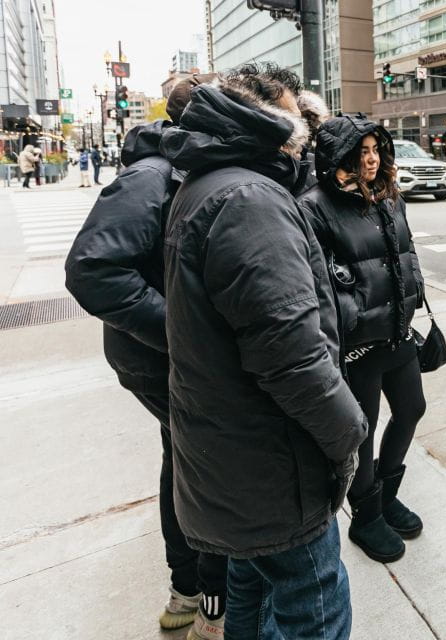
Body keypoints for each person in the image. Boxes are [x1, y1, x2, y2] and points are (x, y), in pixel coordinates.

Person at [160, 63, 366, 639]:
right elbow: (292, 358)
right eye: (301, 117)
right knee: (314, 604)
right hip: (271, 465)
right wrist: (349, 434)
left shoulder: (211, 181)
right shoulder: (251, 200)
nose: (310, 131)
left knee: (251, 587)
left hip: (235, 460)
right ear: (274, 119)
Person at [65, 73, 227, 640]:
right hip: (161, 359)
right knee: (201, 469)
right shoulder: (151, 175)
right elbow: (93, 269)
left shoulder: (185, 170)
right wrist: (186, 334)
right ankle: (204, 591)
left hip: (172, 357)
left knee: (184, 460)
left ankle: (192, 585)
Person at [299, 115, 426, 563]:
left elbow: (405, 256)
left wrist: (415, 298)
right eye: (361, 153)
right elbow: (317, 283)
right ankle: (367, 513)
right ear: (338, 157)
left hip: (397, 329)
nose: (371, 160)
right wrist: (350, 320)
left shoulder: (389, 196)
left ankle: (387, 494)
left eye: (375, 151)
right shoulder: (313, 206)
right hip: (358, 342)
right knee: (362, 432)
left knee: (412, 409)